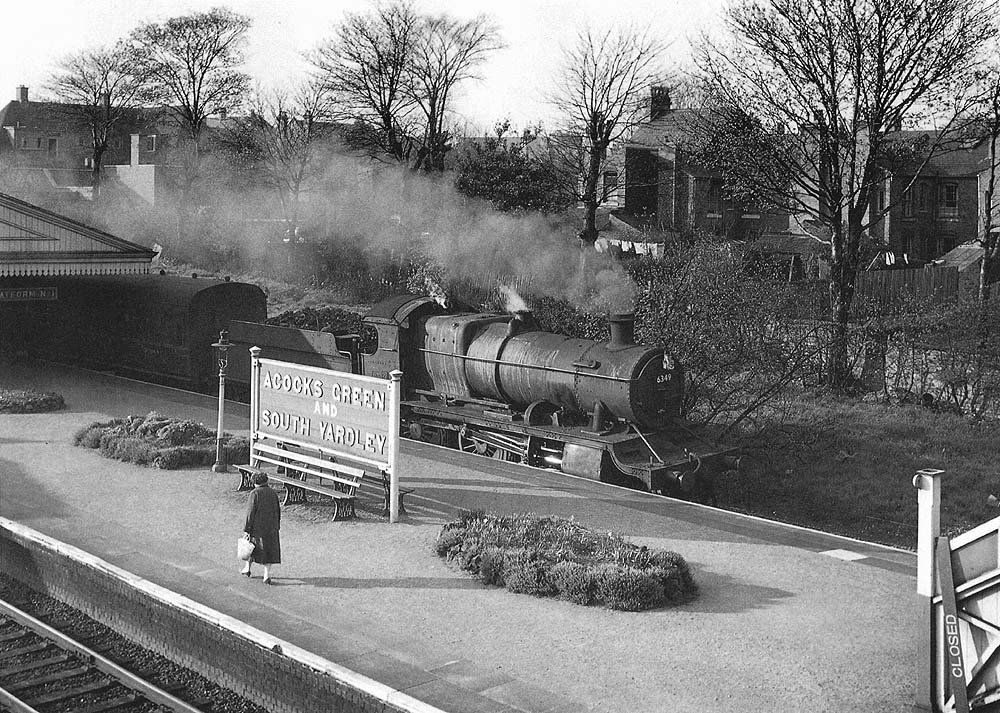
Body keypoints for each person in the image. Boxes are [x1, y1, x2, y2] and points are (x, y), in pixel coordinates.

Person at [241, 471, 281, 584]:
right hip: (271, 527)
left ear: (254, 482)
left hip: (258, 528)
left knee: (251, 548)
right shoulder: (273, 493)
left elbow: (250, 512)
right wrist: (277, 525)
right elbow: (278, 510)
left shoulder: (255, 493)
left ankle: (247, 568)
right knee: (269, 550)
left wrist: (247, 529)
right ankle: (266, 575)